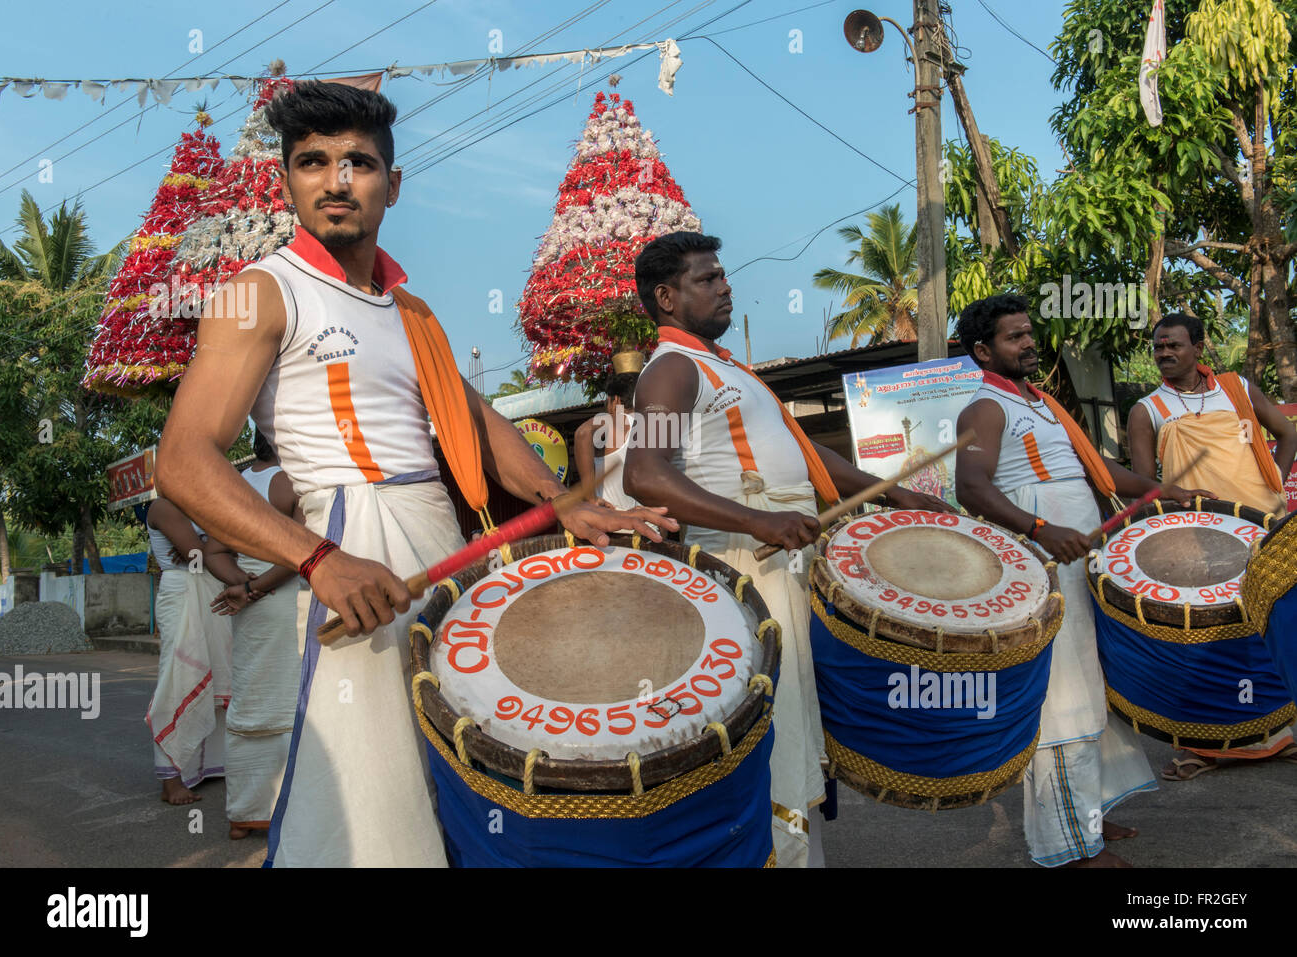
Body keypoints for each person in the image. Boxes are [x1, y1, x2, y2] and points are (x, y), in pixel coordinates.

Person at [155, 81, 673, 867]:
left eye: (358, 162)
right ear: (288, 181)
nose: (336, 180)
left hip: (440, 549)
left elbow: (474, 422)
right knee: (367, 804)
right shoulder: (261, 293)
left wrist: (564, 502)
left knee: (458, 780)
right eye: (313, 162)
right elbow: (183, 461)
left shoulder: (413, 311)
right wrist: (319, 559)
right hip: (346, 548)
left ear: (392, 185)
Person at [623, 231, 949, 868]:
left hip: (778, 560)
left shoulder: (727, 368)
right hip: (743, 570)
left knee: (798, 732)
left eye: (723, 275)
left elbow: (806, 454)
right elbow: (645, 474)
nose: (725, 287)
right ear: (665, 297)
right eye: (707, 279)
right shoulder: (670, 369)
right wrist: (757, 521)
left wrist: (891, 493)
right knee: (776, 734)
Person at [954, 293, 1205, 868]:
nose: (1028, 343)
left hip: (1079, 555)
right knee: (1062, 694)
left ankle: (1088, 809)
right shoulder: (984, 408)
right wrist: (1040, 528)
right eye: (1015, 337)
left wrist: (1158, 491)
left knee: (1092, 678)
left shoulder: (1042, 404)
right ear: (981, 350)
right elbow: (972, 486)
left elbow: (1090, 466)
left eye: (1028, 333)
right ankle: (1068, 844)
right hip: (1042, 561)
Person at [1127, 312, 1297, 781]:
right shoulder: (1148, 409)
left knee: (1266, 629)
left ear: (1198, 347)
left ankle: (1277, 733)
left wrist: (1273, 484)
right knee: (1203, 638)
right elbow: (1142, 487)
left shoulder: (1236, 388)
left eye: (1174, 345)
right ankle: (1202, 744)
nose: (1164, 354)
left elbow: (1287, 433)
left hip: (1263, 528)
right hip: (1194, 539)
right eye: (1159, 347)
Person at [210, 430, 304, 839]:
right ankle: (289, 809)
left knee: (249, 698)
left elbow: (213, 551)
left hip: (246, 609)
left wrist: (240, 585)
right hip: (283, 603)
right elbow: (303, 553)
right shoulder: (292, 482)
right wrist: (256, 587)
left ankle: (243, 815)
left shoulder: (234, 484)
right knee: (289, 701)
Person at [144, 496, 246, 805]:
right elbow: (197, 556)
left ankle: (206, 767)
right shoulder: (163, 507)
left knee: (220, 676)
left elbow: (206, 552)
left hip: (213, 590)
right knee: (178, 681)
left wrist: (211, 545)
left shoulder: (204, 503)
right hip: (184, 593)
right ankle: (170, 780)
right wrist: (220, 544)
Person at [573, 357, 643, 513]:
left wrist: (590, 498)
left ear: (615, 400)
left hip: (617, 526)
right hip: (648, 525)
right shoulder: (652, 424)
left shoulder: (619, 420)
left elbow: (582, 433)